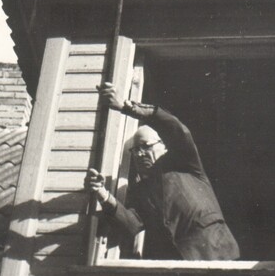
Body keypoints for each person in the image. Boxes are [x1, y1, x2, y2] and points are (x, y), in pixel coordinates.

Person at [85, 81, 240, 260]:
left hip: (218, 257)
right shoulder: (142, 191)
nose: (139, 153)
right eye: (135, 150)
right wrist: (102, 193)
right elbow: (131, 224)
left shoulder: (187, 165)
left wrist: (126, 106)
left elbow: (177, 129)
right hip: (177, 270)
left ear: (164, 146)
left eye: (145, 146)